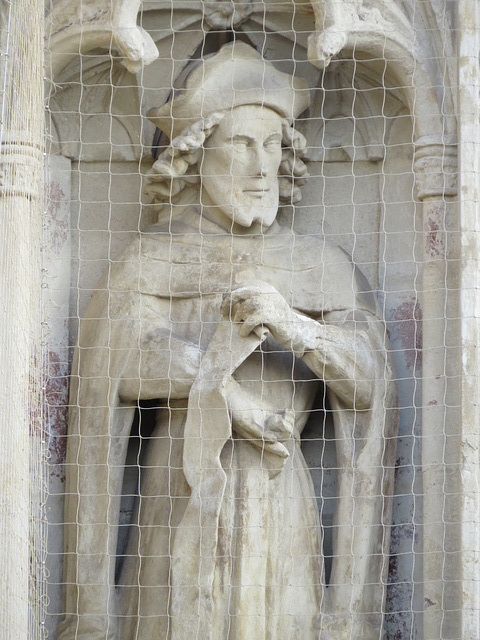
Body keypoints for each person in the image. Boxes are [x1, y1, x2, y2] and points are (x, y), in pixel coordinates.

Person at [57, 42, 397, 640]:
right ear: (197, 153)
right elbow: (110, 369)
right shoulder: (152, 259)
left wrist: (295, 325)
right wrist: (219, 390)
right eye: (242, 144)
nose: (261, 166)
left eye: (272, 145)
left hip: (279, 502)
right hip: (182, 492)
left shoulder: (321, 265)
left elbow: (369, 381)